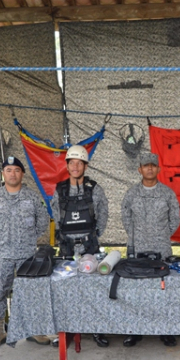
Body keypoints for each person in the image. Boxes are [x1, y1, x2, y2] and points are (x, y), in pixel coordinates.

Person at [0, 156, 50, 349]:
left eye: (17, 170)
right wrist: (2, 240)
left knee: (30, 293)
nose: (13, 174)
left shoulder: (32, 197)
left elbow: (43, 221)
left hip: (26, 255)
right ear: (3, 174)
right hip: (2, 255)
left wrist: (29, 239)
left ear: (22, 174)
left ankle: (34, 330)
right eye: (9, 170)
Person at [50, 144, 109, 348]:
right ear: (67, 165)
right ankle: (65, 331)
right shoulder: (59, 189)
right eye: (72, 162)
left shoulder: (95, 189)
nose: (75, 166)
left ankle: (97, 330)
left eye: (79, 163)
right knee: (65, 292)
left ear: (85, 165)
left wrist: (93, 236)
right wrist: (64, 237)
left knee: (94, 291)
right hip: (67, 249)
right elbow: (56, 216)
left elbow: (103, 214)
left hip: (89, 248)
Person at [120, 153, 180, 347]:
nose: (149, 169)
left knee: (163, 290)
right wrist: (137, 235)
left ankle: (165, 331)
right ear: (139, 169)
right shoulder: (131, 193)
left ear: (158, 169)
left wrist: (162, 234)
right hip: (138, 247)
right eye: (145, 166)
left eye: (153, 166)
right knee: (136, 290)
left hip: (161, 248)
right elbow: (125, 216)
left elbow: (176, 218)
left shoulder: (167, 193)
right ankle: (135, 331)